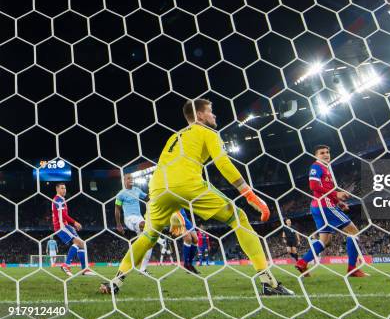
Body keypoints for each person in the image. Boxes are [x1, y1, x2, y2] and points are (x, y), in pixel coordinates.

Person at [100, 99, 293, 296]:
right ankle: (268, 282)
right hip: (188, 183)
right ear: (200, 115)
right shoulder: (207, 132)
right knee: (239, 217)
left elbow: (167, 171)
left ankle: (115, 282)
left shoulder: (174, 137)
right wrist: (250, 195)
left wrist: (173, 209)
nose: (214, 115)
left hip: (157, 188)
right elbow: (223, 163)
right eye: (211, 111)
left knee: (148, 237)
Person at [295, 145, 368, 277]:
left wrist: (339, 202)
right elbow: (313, 185)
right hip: (325, 206)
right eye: (322, 153)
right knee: (353, 232)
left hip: (319, 206)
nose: (326, 154)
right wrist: (336, 194)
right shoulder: (316, 166)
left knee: (325, 241)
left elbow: (325, 191)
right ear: (316, 156)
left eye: (328, 152)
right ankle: (352, 268)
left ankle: (302, 262)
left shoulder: (326, 168)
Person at [51, 182, 94, 276]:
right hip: (61, 226)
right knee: (78, 243)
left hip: (66, 226)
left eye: (65, 188)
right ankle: (66, 265)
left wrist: (71, 225)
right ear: (57, 189)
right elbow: (63, 215)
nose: (64, 190)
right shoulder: (57, 200)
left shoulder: (61, 199)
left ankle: (85, 270)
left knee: (82, 244)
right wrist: (74, 222)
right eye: (62, 188)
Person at [115, 174, 151, 274]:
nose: (131, 180)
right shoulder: (121, 194)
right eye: (128, 178)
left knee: (149, 242)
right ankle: (162, 241)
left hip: (139, 217)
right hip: (129, 218)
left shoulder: (137, 190)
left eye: (132, 178)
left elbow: (147, 198)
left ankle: (143, 269)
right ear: (124, 181)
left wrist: (154, 193)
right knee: (144, 225)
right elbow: (117, 210)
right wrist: (118, 224)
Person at [169, 208, 200, 273]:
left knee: (195, 240)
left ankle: (190, 264)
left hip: (185, 217)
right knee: (188, 238)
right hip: (176, 216)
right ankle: (186, 264)